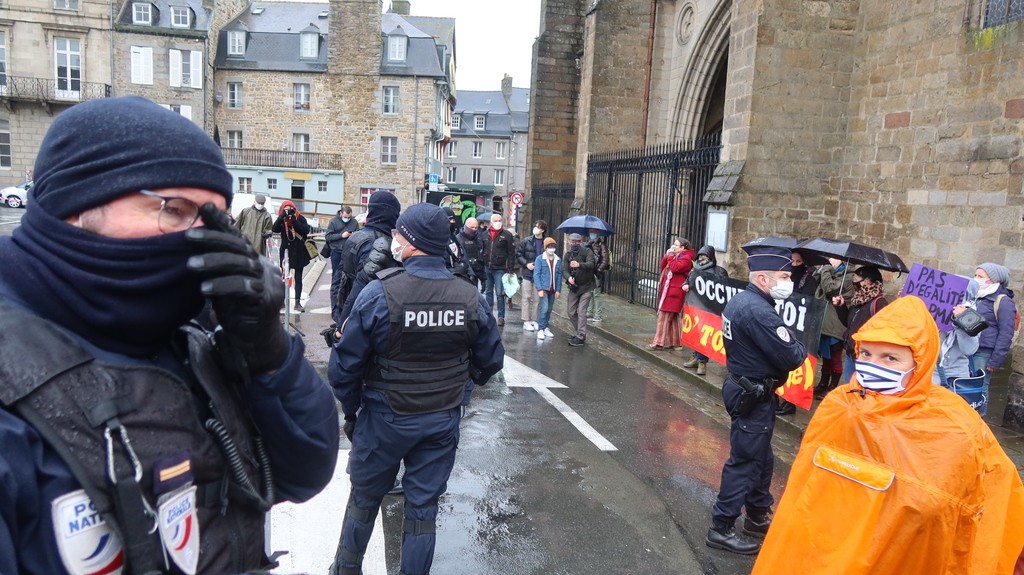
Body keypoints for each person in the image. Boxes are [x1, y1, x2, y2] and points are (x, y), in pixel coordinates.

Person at [0, 96, 339, 575]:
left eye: (215, 219)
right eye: (174, 210)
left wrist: (268, 351)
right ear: (75, 206)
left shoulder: (195, 329)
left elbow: (306, 470)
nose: (201, 238)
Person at [752, 296, 1024, 575]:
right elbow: (803, 493)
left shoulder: (953, 423)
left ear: (919, 362)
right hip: (820, 555)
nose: (873, 365)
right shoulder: (838, 405)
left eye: (890, 358)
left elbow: (995, 499)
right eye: (866, 354)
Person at [327, 203, 505, 575]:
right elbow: (491, 360)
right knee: (423, 510)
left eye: (398, 235)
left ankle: (345, 570)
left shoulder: (380, 293)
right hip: (440, 420)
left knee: (364, 499)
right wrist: (458, 383)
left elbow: (344, 367)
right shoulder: (470, 296)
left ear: (410, 242)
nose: (393, 241)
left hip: (384, 418)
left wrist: (352, 411)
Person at [706, 245, 807, 555]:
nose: (789, 281)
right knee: (747, 460)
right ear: (763, 278)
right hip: (752, 392)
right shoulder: (758, 311)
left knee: (762, 457)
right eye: (784, 276)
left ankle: (758, 516)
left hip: (747, 389)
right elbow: (794, 356)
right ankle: (721, 527)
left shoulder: (742, 301)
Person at [334, 191, 402, 329]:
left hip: (349, 304)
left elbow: (339, 277)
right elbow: (363, 286)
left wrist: (338, 313)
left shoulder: (356, 236)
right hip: (367, 315)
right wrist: (342, 326)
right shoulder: (379, 243)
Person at [972, 262, 1017, 416]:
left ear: (993, 279)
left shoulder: (1003, 301)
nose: (976, 279)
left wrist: (996, 360)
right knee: (964, 384)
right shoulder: (974, 295)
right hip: (968, 347)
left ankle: (979, 419)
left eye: (981, 276)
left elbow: (1006, 333)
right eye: (975, 275)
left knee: (980, 387)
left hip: (984, 351)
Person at [832, 265, 888, 386]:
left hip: (864, 358)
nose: (854, 283)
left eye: (856, 280)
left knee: (860, 392)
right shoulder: (858, 299)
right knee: (849, 389)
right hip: (851, 353)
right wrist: (840, 307)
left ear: (866, 281)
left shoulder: (880, 303)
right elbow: (849, 323)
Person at [812, 258, 855, 397]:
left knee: (835, 356)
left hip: (836, 323)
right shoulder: (834, 273)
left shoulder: (848, 278)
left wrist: (826, 269)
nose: (830, 261)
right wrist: (823, 270)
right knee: (826, 356)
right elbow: (817, 282)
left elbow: (830, 288)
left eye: (834, 258)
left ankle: (832, 388)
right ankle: (823, 383)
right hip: (825, 321)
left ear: (843, 261)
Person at [683, 245, 727, 374]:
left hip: (710, 310)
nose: (702, 258)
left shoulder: (719, 271)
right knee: (696, 333)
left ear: (711, 257)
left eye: (705, 255)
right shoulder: (694, 270)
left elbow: (723, 288)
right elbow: (687, 281)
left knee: (705, 335)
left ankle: (702, 361)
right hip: (695, 307)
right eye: (700, 255)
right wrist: (685, 285)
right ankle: (696, 357)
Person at [647, 237, 695, 351]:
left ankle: (658, 342)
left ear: (683, 248)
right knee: (673, 319)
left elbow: (675, 268)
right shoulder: (675, 256)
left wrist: (670, 256)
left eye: (676, 245)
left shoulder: (686, 258)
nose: (674, 247)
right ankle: (676, 342)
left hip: (675, 292)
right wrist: (666, 256)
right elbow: (663, 266)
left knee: (664, 317)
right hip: (670, 290)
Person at [935, 278, 982, 386]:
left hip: (956, 376)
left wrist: (961, 319)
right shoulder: (936, 310)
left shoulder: (973, 317)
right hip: (930, 372)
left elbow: (969, 349)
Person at [272, 200, 312, 312]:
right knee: (284, 278)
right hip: (286, 252)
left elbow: (306, 230)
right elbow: (274, 229)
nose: (288, 211)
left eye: (290, 209)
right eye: (286, 209)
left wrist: (294, 221)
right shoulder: (282, 219)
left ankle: (298, 302)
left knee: (298, 278)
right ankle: (282, 301)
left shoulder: (300, 218)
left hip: (299, 252)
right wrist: (281, 217)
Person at [562, 233, 597, 346]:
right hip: (574, 287)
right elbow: (565, 270)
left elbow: (591, 264)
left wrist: (579, 265)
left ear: (581, 242)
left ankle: (581, 336)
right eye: (572, 242)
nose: (574, 244)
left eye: (576, 242)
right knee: (571, 312)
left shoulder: (587, 252)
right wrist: (569, 278)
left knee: (581, 311)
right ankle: (580, 333)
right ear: (569, 242)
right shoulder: (568, 255)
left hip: (587, 286)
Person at [326, 206, 360, 319]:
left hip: (349, 252)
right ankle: (334, 309)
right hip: (336, 251)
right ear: (341, 213)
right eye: (345, 217)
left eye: (349, 217)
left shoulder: (354, 223)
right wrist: (341, 235)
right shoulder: (333, 221)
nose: (347, 219)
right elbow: (328, 236)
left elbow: (359, 236)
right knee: (336, 279)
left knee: (348, 279)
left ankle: (344, 307)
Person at [481, 213, 515, 326]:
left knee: (500, 293)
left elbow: (511, 253)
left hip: (500, 268)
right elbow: (482, 249)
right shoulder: (485, 234)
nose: (498, 222)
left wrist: (510, 270)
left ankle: (501, 316)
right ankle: (488, 314)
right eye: (495, 220)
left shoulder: (507, 235)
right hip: (487, 267)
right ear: (491, 222)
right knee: (488, 292)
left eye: (500, 220)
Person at [517, 220, 547, 331]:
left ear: (543, 230)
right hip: (527, 273)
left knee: (537, 298)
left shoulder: (546, 242)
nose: (535, 228)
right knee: (526, 297)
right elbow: (519, 254)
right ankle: (526, 320)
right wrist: (526, 264)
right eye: (535, 226)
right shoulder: (527, 241)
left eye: (538, 227)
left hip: (540, 274)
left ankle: (534, 320)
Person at [532, 236, 562, 341]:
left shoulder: (558, 260)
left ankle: (545, 327)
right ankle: (540, 328)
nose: (551, 248)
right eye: (549, 246)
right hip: (543, 289)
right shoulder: (540, 259)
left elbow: (559, 276)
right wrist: (539, 289)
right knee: (543, 309)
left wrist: (558, 290)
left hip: (552, 289)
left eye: (553, 246)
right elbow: (536, 275)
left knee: (549, 309)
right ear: (545, 247)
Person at [586, 228, 610, 322]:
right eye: (590, 232)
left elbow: (605, 259)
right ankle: (589, 312)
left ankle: (598, 314)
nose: (592, 234)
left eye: (594, 232)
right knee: (589, 292)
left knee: (596, 294)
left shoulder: (602, 245)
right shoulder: (588, 244)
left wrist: (599, 270)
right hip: (588, 272)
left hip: (596, 272)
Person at [455, 216, 485, 291]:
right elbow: (459, 258)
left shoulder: (478, 238)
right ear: (466, 226)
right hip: (464, 274)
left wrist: (483, 278)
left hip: (476, 273)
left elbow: (481, 258)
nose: (474, 229)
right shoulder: (458, 239)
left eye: (476, 228)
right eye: (472, 227)